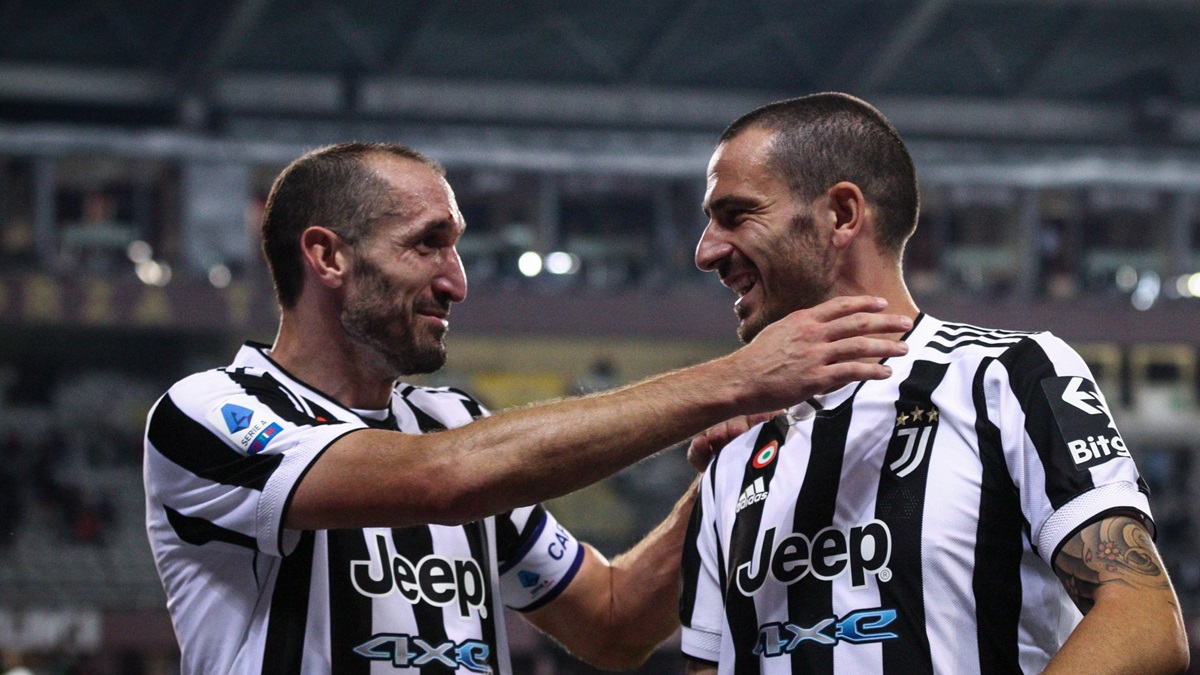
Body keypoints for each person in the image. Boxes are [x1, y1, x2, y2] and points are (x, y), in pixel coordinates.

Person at [143, 141, 912, 674]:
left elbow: (612, 622)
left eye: (457, 246)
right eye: (427, 244)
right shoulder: (209, 413)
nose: (457, 281)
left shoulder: (449, 420)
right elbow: (442, 483)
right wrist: (737, 378)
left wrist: (724, 482)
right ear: (329, 256)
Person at [678, 93, 1189, 674]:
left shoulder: (1007, 377)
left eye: (736, 214)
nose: (706, 251)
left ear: (842, 215)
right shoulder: (732, 457)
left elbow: (1142, 619)